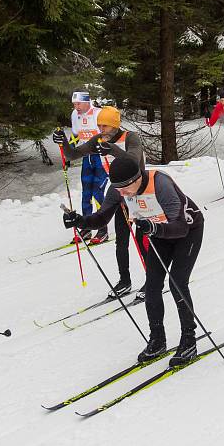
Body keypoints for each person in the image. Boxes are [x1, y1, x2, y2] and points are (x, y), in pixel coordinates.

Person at [62, 157, 204, 367]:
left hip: (186, 231)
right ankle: (157, 339)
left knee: (177, 282)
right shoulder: (119, 189)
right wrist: (80, 220)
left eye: (125, 188)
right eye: (117, 188)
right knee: (153, 285)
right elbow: (102, 218)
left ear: (137, 178)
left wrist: (154, 229)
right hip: (159, 233)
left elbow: (180, 227)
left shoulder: (161, 184)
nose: (121, 193)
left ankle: (189, 340)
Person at [54, 106, 147, 299]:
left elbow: (134, 160)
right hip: (117, 188)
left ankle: (153, 278)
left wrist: (111, 148)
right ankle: (125, 281)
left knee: (141, 239)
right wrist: (63, 142)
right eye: (99, 125)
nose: (101, 129)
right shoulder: (98, 139)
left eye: (105, 126)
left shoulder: (131, 137)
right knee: (121, 240)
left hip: (138, 188)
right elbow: (73, 154)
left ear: (114, 125)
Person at [69, 91, 107, 244]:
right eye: (74, 104)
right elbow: (75, 135)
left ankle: (102, 229)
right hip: (87, 157)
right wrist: (68, 153)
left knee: (98, 192)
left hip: (101, 158)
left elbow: (110, 133)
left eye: (78, 103)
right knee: (86, 192)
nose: (76, 107)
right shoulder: (75, 115)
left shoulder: (99, 113)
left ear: (86, 102)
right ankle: (86, 227)